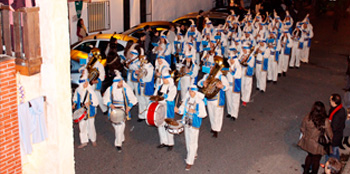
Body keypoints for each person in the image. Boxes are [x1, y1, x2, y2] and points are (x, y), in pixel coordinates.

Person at [103, 71, 138, 152]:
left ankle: (118, 144)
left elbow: (133, 99)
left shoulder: (126, 89)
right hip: (113, 109)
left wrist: (129, 107)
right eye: (120, 82)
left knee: (119, 126)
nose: (121, 83)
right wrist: (110, 104)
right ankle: (121, 137)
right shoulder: (110, 89)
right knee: (117, 126)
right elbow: (105, 99)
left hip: (122, 108)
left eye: (122, 82)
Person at [175, 85, 207, 171]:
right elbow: (182, 111)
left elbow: (203, 114)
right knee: (188, 140)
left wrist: (195, 112)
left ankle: (189, 161)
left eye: (192, 91)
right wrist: (178, 110)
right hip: (186, 122)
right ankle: (193, 153)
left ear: (196, 92)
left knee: (192, 142)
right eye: (189, 91)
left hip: (194, 123)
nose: (190, 93)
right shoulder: (187, 99)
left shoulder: (200, 102)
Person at [298, 101, 333, 174]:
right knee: (316, 160)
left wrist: (306, 135)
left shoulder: (308, 117)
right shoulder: (325, 121)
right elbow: (330, 134)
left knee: (309, 156)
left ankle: (305, 171)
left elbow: (302, 128)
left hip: (308, 142)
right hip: (318, 145)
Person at [198, 59, 229, 138]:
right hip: (209, 98)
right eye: (210, 67)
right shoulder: (207, 76)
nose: (211, 69)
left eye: (212, 67)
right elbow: (199, 82)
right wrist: (203, 83)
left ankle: (217, 129)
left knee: (217, 114)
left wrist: (222, 86)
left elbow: (227, 86)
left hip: (217, 98)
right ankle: (213, 127)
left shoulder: (221, 76)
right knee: (211, 113)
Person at [72, 70, 99, 148]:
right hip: (81, 109)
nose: (86, 84)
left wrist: (89, 103)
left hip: (89, 110)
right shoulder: (78, 90)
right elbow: (75, 98)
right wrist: (74, 104)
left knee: (91, 125)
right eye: (84, 83)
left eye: (86, 83)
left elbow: (95, 102)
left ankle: (93, 139)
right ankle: (84, 140)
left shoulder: (90, 91)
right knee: (82, 125)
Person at [154, 72, 177, 150]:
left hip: (167, 107)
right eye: (162, 78)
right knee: (160, 124)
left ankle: (170, 143)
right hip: (160, 106)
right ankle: (163, 141)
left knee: (168, 125)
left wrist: (164, 95)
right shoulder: (160, 86)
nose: (163, 80)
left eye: (164, 79)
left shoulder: (172, 88)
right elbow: (155, 94)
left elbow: (171, 98)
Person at [328, 93, 347, 160]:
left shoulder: (336, 114)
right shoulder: (341, 109)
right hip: (338, 134)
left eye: (330, 100)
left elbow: (333, 127)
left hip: (335, 137)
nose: (329, 101)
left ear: (334, 102)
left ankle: (333, 165)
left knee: (333, 152)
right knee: (335, 150)